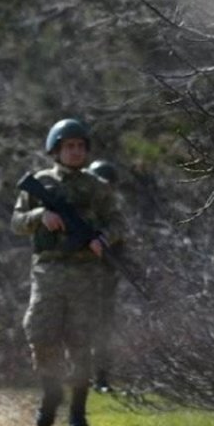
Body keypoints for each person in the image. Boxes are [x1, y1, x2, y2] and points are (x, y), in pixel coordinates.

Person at [10, 118, 123, 426]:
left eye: (80, 146)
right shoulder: (41, 182)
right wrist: (40, 216)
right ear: (56, 150)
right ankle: (51, 391)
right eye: (69, 146)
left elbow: (118, 222)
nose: (75, 152)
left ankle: (78, 411)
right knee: (40, 333)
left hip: (85, 273)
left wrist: (103, 239)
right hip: (48, 271)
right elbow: (16, 222)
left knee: (81, 341)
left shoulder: (97, 187)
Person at [86, 159, 123, 393]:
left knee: (103, 329)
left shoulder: (112, 213)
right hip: (77, 277)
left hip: (105, 278)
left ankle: (101, 377)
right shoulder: (82, 209)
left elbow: (120, 239)